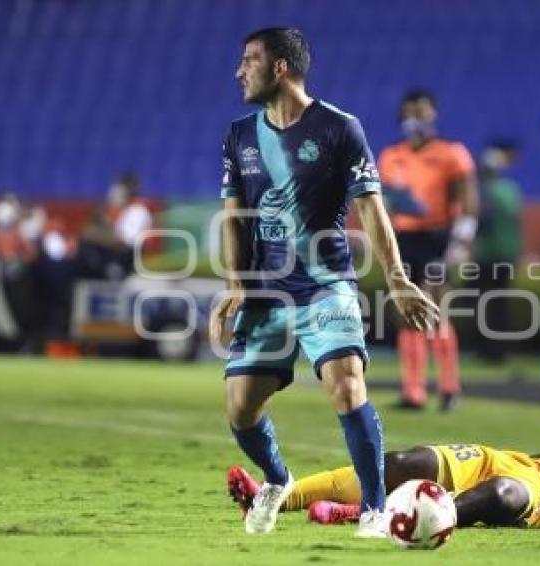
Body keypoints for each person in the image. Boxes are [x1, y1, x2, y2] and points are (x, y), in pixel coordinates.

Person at [211, 28, 439, 538]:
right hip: (267, 292)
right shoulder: (239, 135)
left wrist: (398, 278)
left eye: (249, 60)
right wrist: (235, 283)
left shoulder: (340, 128)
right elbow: (234, 217)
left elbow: (371, 208)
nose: (238, 70)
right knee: (241, 408)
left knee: (347, 384)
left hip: (325, 285)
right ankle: (277, 480)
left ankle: (375, 510)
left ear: (281, 68)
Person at [229, 383, 540, 529]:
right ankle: (276, 496)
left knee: (503, 495)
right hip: (517, 464)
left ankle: (364, 515)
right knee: (408, 461)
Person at [378, 89, 479, 411]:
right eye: (409, 112)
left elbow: (469, 199)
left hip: (437, 237)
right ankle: (414, 391)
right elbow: (383, 206)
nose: (415, 118)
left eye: (421, 111)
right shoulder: (390, 156)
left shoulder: (452, 153)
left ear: (434, 114)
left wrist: (462, 239)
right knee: (406, 312)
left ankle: (449, 387)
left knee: (436, 308)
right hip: (404, 239)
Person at [471, 142, 523, 361]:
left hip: (486, 254)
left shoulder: (482, 191)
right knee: (501, 303)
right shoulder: (511, 190)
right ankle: (501, 351)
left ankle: (486, 350)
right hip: (508, 254)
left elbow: (482, 220)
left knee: (483, 302)